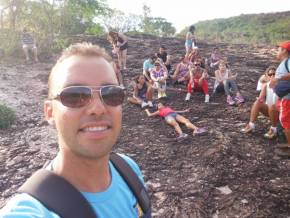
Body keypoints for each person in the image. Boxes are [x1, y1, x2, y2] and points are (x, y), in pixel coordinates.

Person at [0, 43, 149, 217]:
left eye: (111, 94)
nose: (98, 109)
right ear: (49, 112)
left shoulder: (128, 170)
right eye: (74, 96)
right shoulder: (30, 211)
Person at [241, 69, 279, 139]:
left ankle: (274, 129)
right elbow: (260, 98)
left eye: (274, 74)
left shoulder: (281, 85)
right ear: (267, 76)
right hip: (270, 110)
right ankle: (251, 125)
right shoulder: (266, 85)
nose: (272, 76)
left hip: (280, 111)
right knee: (258, 102)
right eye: (270, 74)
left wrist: (275, 86)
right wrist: (259, 100)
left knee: (273, 106)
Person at [269, 41, 290, 156]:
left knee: (285, 121)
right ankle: (286, 141)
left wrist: (278, 79)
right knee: (275, 110)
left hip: (287, 98)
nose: (277, 51)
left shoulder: (289, 61)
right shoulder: (284, 63)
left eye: (279, 49)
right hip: (283, 98)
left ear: (285, 51)